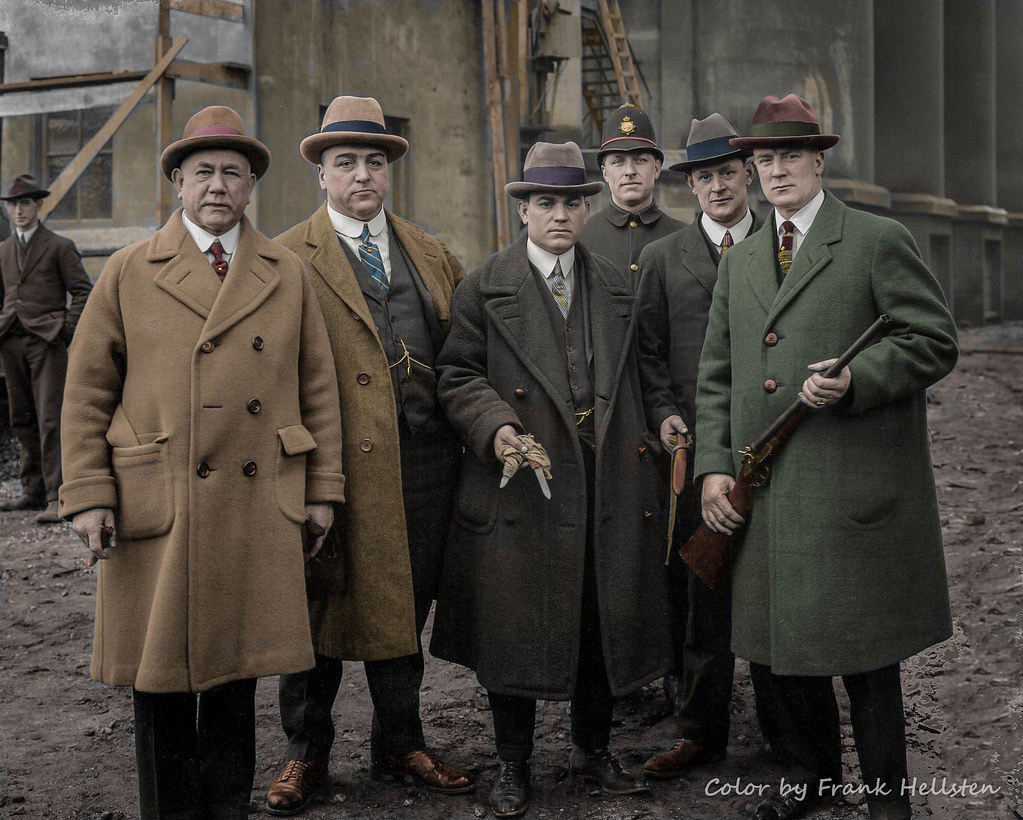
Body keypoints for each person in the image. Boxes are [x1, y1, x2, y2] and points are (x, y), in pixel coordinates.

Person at [59, 105, 344, 820]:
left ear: (251, 187)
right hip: (158, 500)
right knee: (158, 682)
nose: (217, 187)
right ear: (177, 183)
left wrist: (322, 491)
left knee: (233, 677)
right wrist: (89, 493)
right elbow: (87, 389)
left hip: (256, 501)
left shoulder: (286, 272)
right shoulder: (128, 270)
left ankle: (225, 811)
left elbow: (319, 388)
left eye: (233, 174)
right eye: (203, 173)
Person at [694, 94, 958, 820]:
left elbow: (933, 339)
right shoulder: (742, 259)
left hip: (850, 490)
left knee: (866, 655)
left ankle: (885, 798)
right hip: (768, 492)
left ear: (818, 160)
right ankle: (810, 780)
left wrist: (856, 380)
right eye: (763, 160)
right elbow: (713, 375)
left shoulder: (874, 239)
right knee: (781, 655)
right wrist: (714, 465)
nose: (774, 170)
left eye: (788, 156)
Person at [431, 140, 672, 818]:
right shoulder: (485, 284)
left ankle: (593, 751)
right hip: (521, 485)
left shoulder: (619, 284)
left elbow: (648, 376)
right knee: (515, 631)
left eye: (570, 202)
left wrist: (668, 420)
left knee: (598, 622)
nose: (559, 215)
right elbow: (456, 375)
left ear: (584, 207)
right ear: (523, 211)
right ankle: (512, 764)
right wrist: (497, 428)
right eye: (545, 203)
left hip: (605, 485)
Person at [265, 95, 474, 816]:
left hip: (422, 466)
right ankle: (305, 752)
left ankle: (400, 742)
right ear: (320, 174)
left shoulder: (430, 252)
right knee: (315, 613)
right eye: (345, 162)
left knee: (402, 608)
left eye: (373, 161)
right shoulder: (287, 257)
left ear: (389, 172)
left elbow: (463, 357)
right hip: (332, 469)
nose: (361, 175)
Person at [637, 113, 759, 779]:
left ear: (748, 175)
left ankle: (787, 727)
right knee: (700, 594)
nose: (715, 186)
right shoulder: (661, 261)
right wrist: (662, 417)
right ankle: (700, 732)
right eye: (702, 176)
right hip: (696, 453)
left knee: (774, 590)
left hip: (774, 447)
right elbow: (649, 359)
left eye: (725, 172)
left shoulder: (782, 242)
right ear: (690, 185)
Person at [0, 174, 91, 523]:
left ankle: (57, 496)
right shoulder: (4, 251)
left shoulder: (58, 246)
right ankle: (32, 490)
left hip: (47, 341)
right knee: (21, 417)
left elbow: (83, 291)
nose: (19, 211)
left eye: (25, 203)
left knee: (51, 418)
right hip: (11, 340)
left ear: (39, 206)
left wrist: (64, 329)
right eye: (13, 205)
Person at [580, 103, 684, 283]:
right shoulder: (581, 237)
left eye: (640, 160)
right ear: (605, 172)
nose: (629, 171)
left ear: (657, 168)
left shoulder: (684, 238)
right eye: (618, 162)